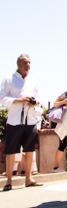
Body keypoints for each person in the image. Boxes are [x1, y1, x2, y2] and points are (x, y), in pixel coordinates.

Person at [1, 55, 43, 190]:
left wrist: (35, 102)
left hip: (30, 120)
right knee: (11, 150)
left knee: (30, 149)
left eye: (30, 63)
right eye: (25, 62)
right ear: (18, 63)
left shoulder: (33, 80)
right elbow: (2, 98)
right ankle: (9, 181)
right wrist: (18, 100)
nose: (28, 65)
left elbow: (39, 97)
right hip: (14, 121)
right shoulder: (8, 79)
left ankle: (28, 178)